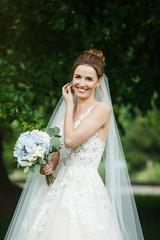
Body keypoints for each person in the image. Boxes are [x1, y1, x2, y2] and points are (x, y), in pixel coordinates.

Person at [5, 49, 144, 240]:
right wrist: (49, 165)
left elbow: (70, 141)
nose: (82, 83)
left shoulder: (102, 109)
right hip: (55, 189)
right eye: (78, 77)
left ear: (99, 81)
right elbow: (58, 150)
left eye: (89, 78)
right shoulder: (66, 111)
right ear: (71, 78)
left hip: (83, 191)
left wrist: (69, 105)